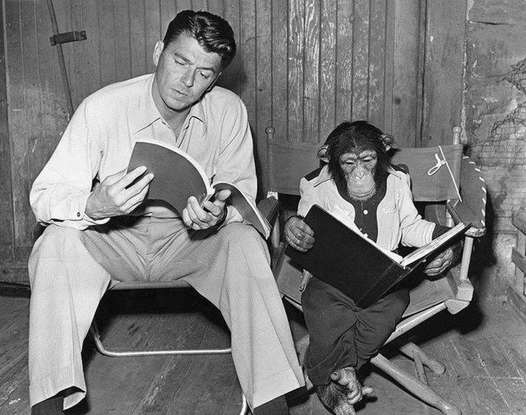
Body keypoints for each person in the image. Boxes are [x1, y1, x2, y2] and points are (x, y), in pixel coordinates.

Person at [28, 10, 303, 415]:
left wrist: (218, 214)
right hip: (114, 240)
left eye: (204, 73)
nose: (188, 81)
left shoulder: (228, 110)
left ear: (217, 78)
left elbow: (241, 195)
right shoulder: (103, 107)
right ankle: (49, 406)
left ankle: (271, 405)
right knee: (55, 244)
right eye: (180, 61)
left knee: (244, 242)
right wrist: (93, 204)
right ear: (159, 52)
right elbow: (44, 196)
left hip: (189, 242)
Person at [284, 121, 456, 415]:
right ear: (329, 159)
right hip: (331, 277)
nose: (360, 173)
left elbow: (410, 227)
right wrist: (294, 228)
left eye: (368, 160)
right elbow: (304, 228)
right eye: (349, 163)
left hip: (382, 281)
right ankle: (341, 376)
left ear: (383, 150)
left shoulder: (397, 180)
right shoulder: (315, 185)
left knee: (392, 306)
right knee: (321, 306)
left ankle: (337, 374)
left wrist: (447, 243)